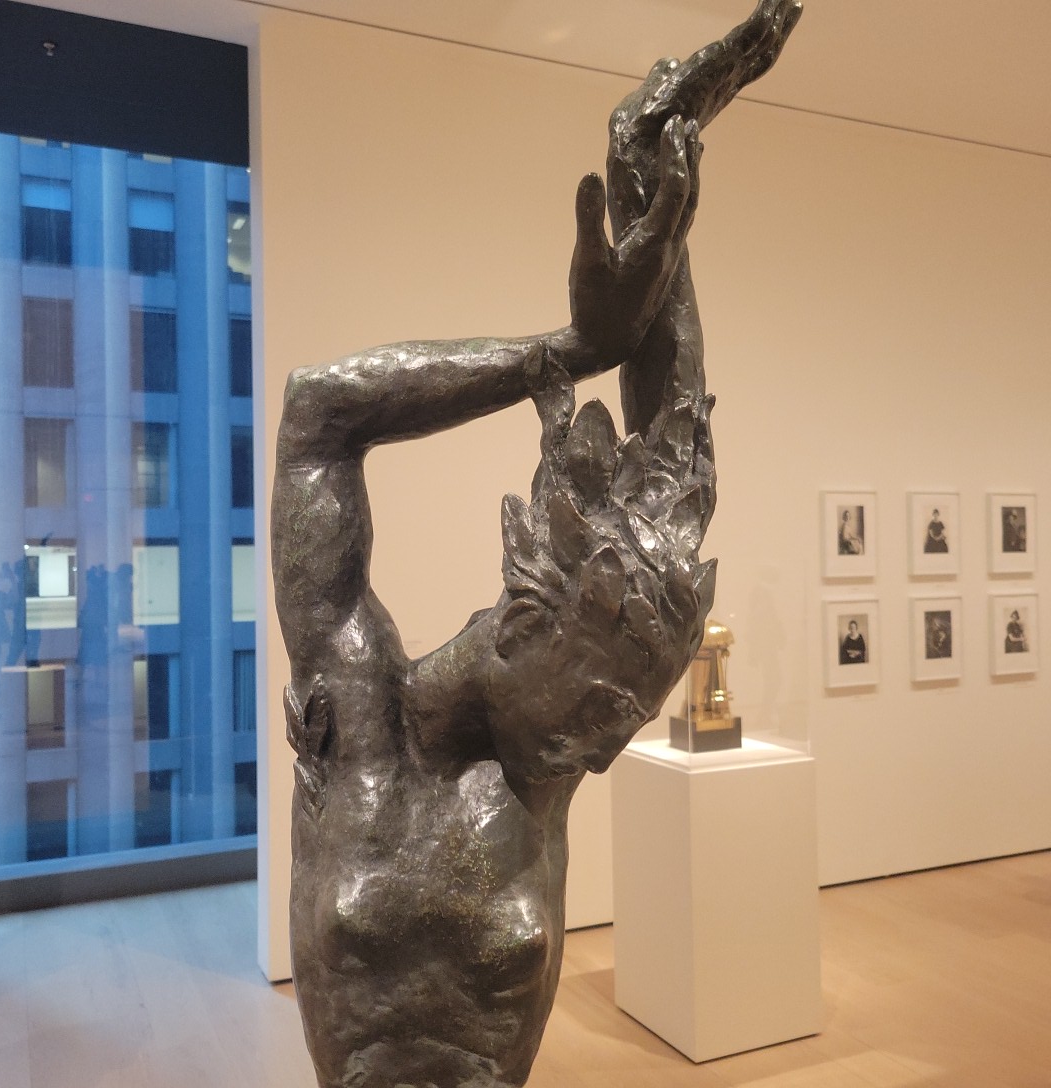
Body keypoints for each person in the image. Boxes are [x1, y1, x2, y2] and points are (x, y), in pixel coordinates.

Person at [272, 3, 801, 1085]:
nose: (600, 753)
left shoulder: (533, 767)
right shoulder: (350, 708)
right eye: (596, 713)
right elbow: (319, 411)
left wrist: (647, 171)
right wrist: (572, 349)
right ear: (520, 630)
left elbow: (668, 461)